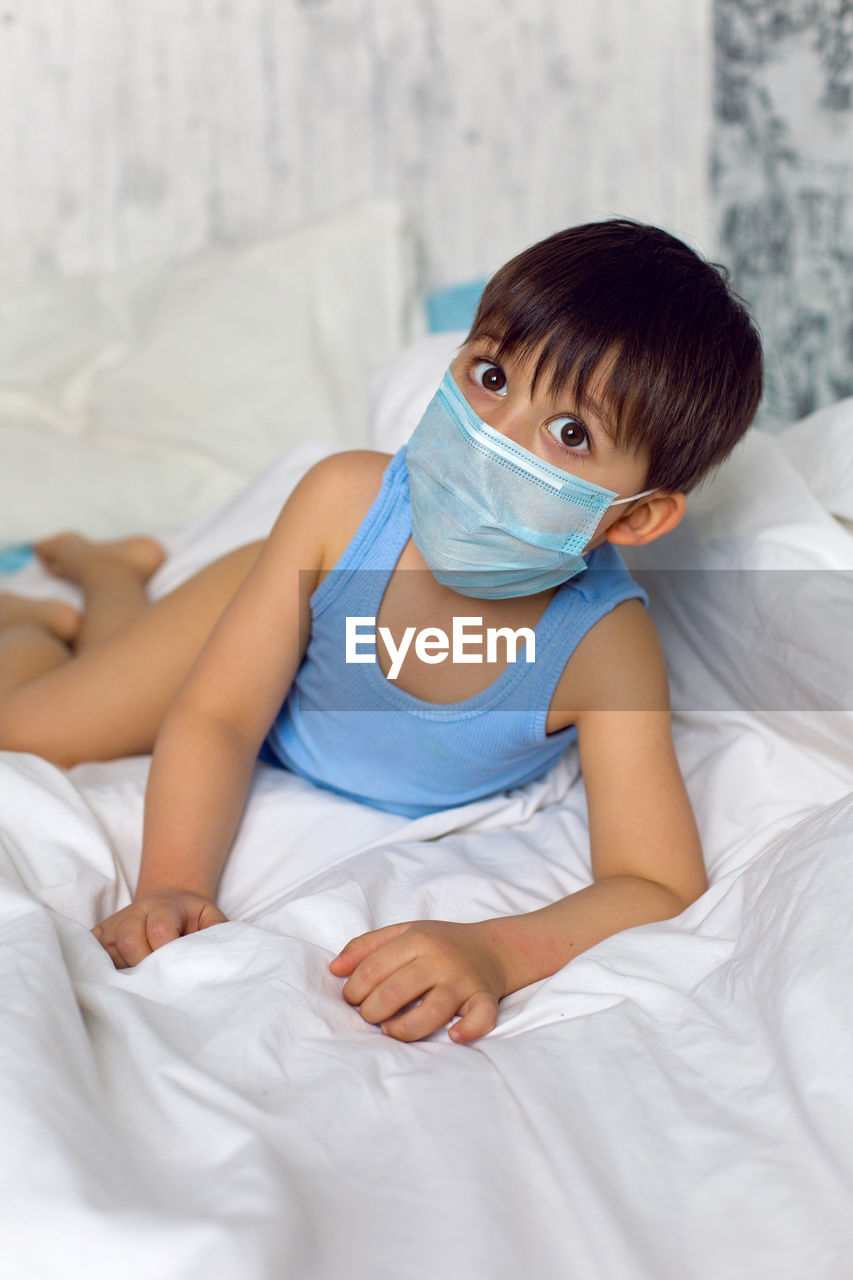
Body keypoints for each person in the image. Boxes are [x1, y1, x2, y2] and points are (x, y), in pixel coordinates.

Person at [0, 219, 763, 1045]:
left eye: (570, 433)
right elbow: (219, 715)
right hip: (276, 596)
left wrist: (495, 951)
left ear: (639, 516)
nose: (490, 437)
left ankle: (112, 579)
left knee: (116, 676)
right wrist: (171, 885)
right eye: (490, 375)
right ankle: (61, 606)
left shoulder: (603, 651)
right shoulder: (339, 505)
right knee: (28, 726)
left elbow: (653, 880)